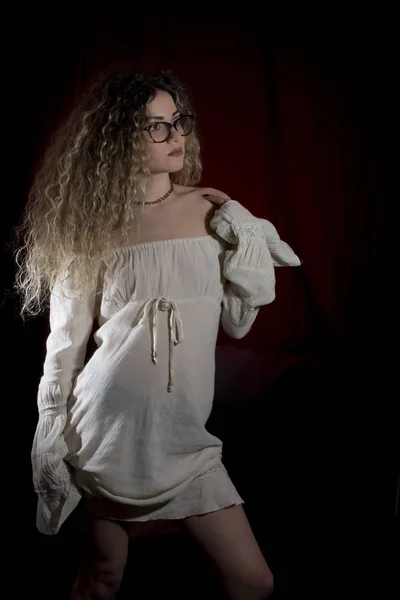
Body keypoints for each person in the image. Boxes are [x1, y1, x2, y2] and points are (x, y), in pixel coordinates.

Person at [14, 66, 301, 600]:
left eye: (179, 122)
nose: (177, 136)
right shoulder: (92, 229)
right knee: (102, 580)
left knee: (252, 582)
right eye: (157, 127)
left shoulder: (214, 214)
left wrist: (242, 238)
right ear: (122, 136)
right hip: (105, 436)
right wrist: (49, 431)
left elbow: (238, 321)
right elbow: (64, 347)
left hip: (184, 441)